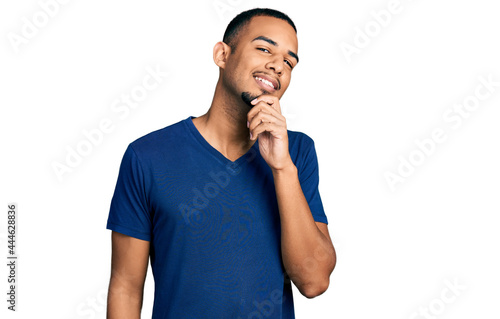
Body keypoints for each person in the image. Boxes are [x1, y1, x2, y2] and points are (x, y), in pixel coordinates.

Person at [106, 8, 336, 319]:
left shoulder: (298, 152)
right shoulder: (147, 156)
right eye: (264, 49)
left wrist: (282, 169)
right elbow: (125, 287)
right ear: (222, 55)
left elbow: (314, 281)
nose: (277, 66)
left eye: (289, 62)